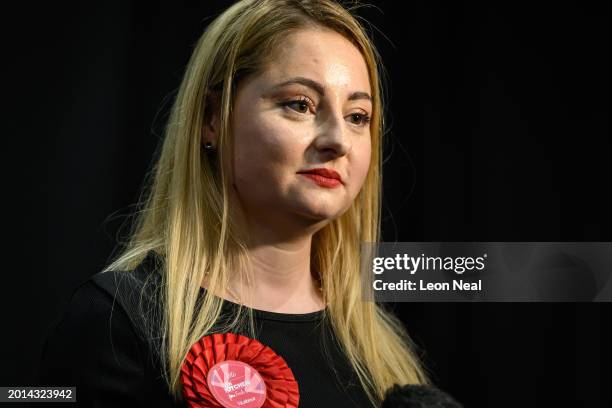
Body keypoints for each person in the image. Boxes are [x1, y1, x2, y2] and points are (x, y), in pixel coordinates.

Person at [38, 0, 430, 406]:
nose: (338, 140)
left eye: (358, 116)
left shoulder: (380, 353)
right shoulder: (115, 321)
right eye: (300, 105)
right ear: (212, 118)